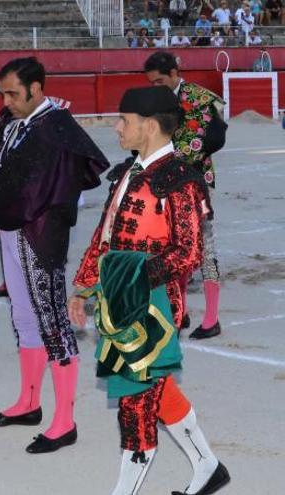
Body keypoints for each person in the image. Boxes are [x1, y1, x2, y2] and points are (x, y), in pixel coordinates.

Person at [70, 85, 230, 495]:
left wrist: (135, 280)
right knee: (153, 390)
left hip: (154, 305)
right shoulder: (126, 173)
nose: (117, 128)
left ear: (151, 125)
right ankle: (208, 467)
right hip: (119, 299)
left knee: (135, 403)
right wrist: (83, 288)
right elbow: (103, 236)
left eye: (124, 121)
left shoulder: (180, 180)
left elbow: (189, 252)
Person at [0, 57, 109, 453]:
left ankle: (65, 421)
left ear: (36, 88)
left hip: (41, 233)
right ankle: (28, 403)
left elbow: (53, 185)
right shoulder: (13, 125)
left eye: (12, 93)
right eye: (3, 93)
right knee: (23, 315)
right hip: (10, 228)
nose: (5, 101)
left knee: (53, 320)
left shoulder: (56, 126)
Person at [144, 51, 226, 339]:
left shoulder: (200, 97)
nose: (156, 87)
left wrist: (176, 160)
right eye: (151, 83)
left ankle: (212, 318)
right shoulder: (154, 102)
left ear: (174, 73)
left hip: (194, 185)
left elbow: (216, 138)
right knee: (173, 248)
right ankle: (181, 313)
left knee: (205, 249)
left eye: (160, 81)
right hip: (166, 185)